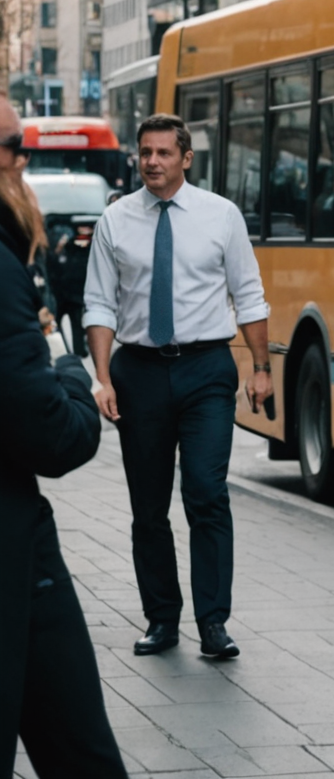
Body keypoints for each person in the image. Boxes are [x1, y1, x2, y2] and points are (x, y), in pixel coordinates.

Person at [83, 113, 272, 659]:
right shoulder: (116, 221)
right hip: (137, 372)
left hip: (206, 368)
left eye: (164, 153)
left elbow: (249, 293)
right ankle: (162, 618)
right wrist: (102, 378)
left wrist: (261, 367)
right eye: (145, 152)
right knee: (148, 505)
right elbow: (99, 303)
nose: (153, 162)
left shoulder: (221, 216)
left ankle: (213, 622)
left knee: (206, 493)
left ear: (186, 158)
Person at [0, 100, 129, 778]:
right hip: (13, 550)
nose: (24, 160)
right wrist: (71, 371)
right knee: (79, 748)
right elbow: (52, 432)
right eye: (14, 145)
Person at [48, 220, 95, 356]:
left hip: (74, 293)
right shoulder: (67, 244)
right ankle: (66, 352)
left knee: (76, 325)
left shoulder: (86, 245)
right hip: (61, 293)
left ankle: (77, 351)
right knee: (59, 324)